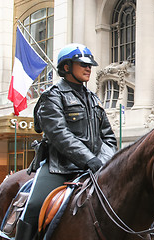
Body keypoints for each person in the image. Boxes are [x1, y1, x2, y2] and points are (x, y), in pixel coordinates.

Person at [15, 43, 118, 240]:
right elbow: (60, 135)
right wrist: (89, 159)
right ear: (66, 67)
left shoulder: (93, 99)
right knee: (35, 206)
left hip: (95, 167)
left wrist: (102, 162)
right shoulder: (52, 96)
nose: (88, 68)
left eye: (90, 65)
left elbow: (108, 137)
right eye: (82, 64)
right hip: (59, 167)